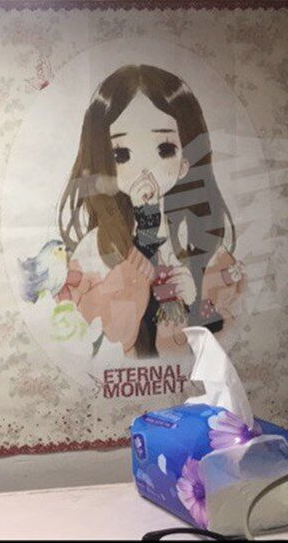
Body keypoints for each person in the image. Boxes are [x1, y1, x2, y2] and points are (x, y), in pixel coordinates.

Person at [56, 64, 245, 358]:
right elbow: (93, 334)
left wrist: (195, 298)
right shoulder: (96, 247)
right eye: (121, 154)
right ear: (104, 163)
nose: (145, 170)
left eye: (165, 149)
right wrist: (139, 257)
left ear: (185, 163)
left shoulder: (198, 237)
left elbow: (233, 327)